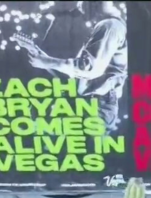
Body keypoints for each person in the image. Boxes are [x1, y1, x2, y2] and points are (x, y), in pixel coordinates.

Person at [15, 1, 127, 132]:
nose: (80, 7)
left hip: (96, 106)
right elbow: (78, 73)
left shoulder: (109, 26)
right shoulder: (105, 27)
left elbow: (89, 69)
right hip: (87, 103)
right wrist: (41, 57)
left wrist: (46, 62)